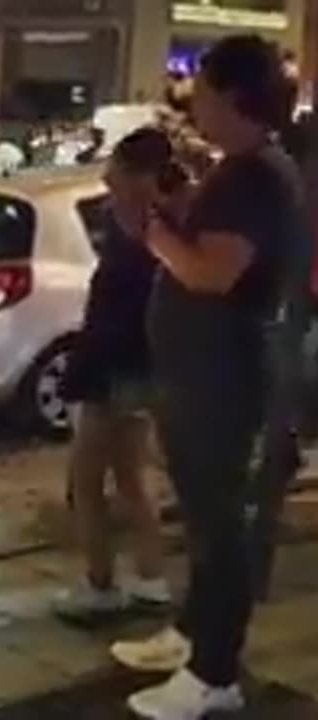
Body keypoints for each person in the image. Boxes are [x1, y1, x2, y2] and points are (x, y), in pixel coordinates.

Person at [110, 36, 307, 719]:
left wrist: (150, 230)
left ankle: (213, 674)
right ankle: (191, 638)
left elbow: (211, 271)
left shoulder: (255, 175)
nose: (192, 103)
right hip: (201, 373)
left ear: (230, 96)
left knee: (219, 528)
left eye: (202, 92)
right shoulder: (243, 169)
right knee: (201, 519)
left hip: (221, 380)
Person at [53, 128, 181, 624]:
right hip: (128, 361)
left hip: (113, 363)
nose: (108, 177)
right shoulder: (155, 222)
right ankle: (149, 579)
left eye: (119, 169)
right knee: (129, 474)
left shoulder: (146, 229)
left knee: (85, 480)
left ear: (140, 176)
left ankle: (101, 582)